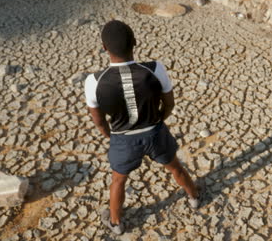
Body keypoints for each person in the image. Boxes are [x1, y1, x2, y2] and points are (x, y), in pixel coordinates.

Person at [84, 20, 200, 235]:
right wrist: (157, 120)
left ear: (104, 47)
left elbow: (99, 121)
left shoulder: (94, 81)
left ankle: (116, 223)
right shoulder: (155, 68)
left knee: (118, 180)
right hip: (155, 132)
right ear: (135, 43)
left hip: (123, 139)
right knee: (175, 167)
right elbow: (170, 103)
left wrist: (112, 137)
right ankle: (193, 197)